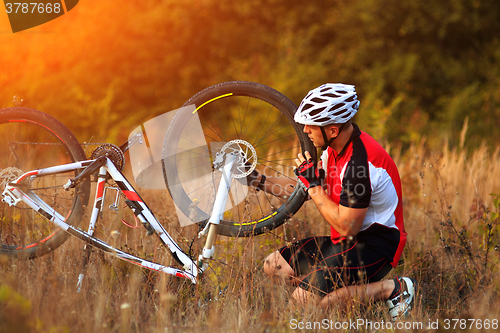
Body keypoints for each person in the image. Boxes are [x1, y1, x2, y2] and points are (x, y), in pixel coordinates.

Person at [251, 83, 416, 320]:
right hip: (346, 242)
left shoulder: (360, 166)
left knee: (304, 302)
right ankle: (332, 291)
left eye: (311, 125)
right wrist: (257, 179)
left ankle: (394, 289)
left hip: (374, 247)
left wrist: (314, 185)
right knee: (273, 265)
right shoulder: (334, 150)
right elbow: (304, 189)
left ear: (333, 130)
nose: (305, 130)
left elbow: (347, 227)